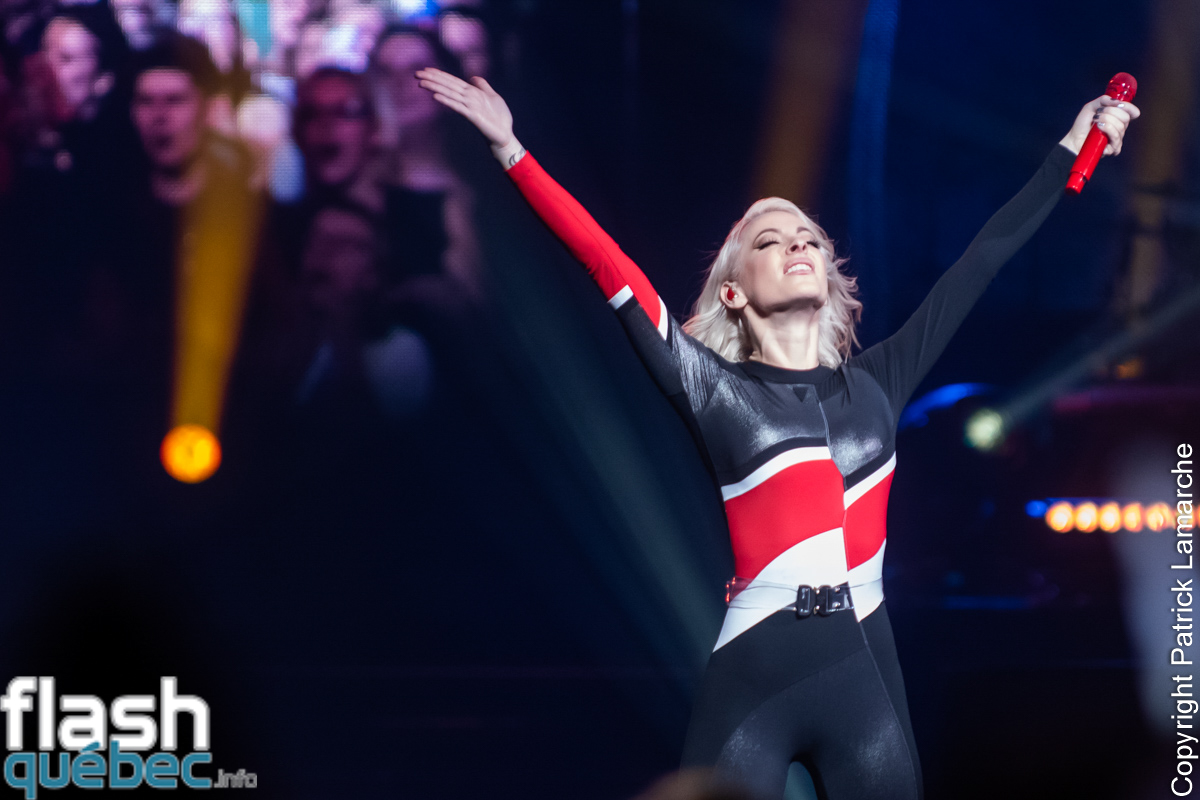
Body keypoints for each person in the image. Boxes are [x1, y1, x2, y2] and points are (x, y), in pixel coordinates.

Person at [416, 67, 1141, 799]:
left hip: (867, 668)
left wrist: (1067, 151)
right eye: (770, 240)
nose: (798, 245)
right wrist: (512, 150)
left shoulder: (880, 380)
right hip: (754, 673)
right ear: (733, 291)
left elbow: (982, 260)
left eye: (809, 238)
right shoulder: (712, 387)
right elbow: (609, 264)